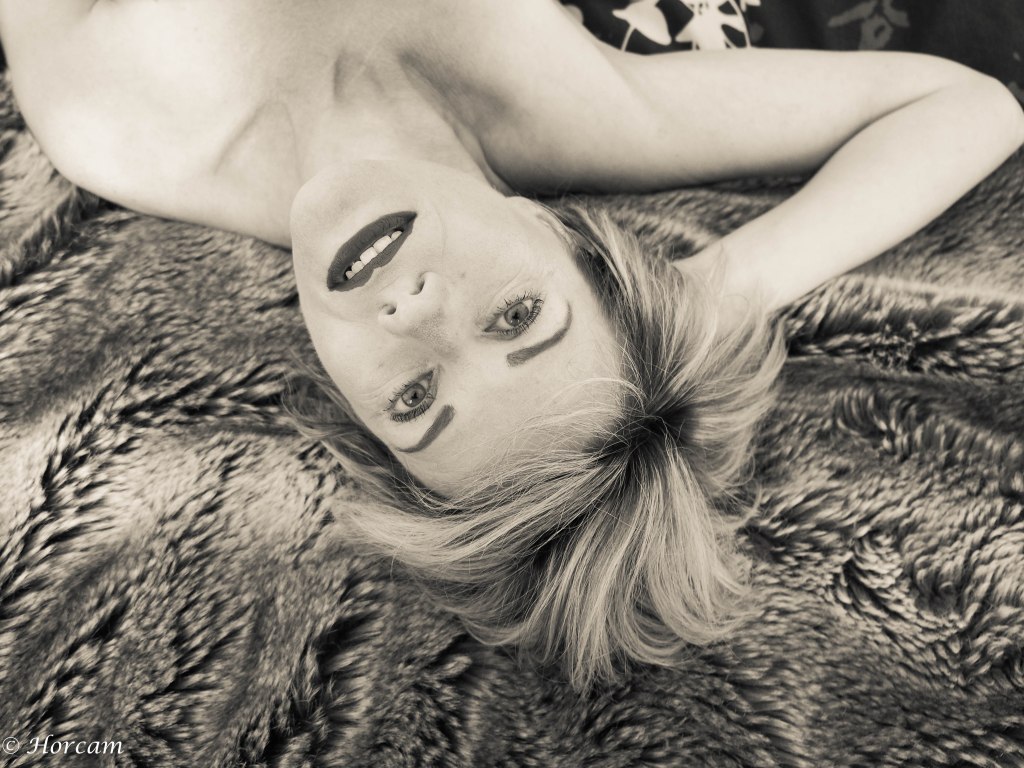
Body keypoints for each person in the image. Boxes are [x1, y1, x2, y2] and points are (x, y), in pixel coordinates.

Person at [1, 0, 1021, 694]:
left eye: (415, 400)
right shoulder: (569, 107)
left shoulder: (118, 120)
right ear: (566, 240)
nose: (415, 313)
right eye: (517, 318)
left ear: (356, 418)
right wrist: (705, 293)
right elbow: (969, 106)